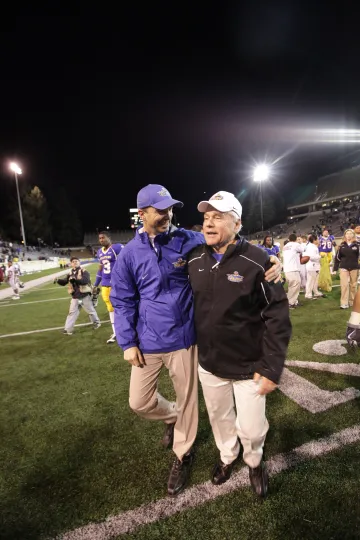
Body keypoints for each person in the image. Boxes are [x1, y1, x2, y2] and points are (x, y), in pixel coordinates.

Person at [110, 185, 281, 497]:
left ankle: (184, 455)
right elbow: (122, 301)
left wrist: (270, 259)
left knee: (193, 403)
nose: (167, 215)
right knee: (140, 401)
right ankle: (172, 418)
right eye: (160, 210)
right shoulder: (129, 254)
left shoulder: (186, 240)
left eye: (170, 209)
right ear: (143, 213)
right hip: (147, 340)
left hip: (185, 338)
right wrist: (127, 341)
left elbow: (232, 243)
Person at [188, 191, 291, 498]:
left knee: (252, 427)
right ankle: (227, 457)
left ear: (237, 223)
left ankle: (255, 461)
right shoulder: (193, 259)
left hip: (249, 365)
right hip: (210, 363)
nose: (208, 223)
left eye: (218, 217)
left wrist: (272, 366)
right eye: (206, 217)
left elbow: (278, 316)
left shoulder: (259, 261)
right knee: (220, 420)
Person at [54, 257, 101, 335]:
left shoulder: (84, 271)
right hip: (75, 296)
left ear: (79, 262)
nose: (75, 262)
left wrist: (75, 280)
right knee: (71, 313)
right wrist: (58, 280)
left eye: (76, 261)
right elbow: (64, 282)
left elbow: (85, 281)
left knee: (91, 312)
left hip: (84, 295)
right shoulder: (70, 273)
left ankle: (97, 323)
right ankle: (68, 329)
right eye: (73, 261)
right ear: (71, 264)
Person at [93, 232, 124, 343]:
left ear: (108, 238)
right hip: (105, 284)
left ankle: (125, 330)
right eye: (100, 238)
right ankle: (116, 332)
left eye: (103, 237)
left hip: (117, 283)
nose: (101, 240)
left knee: (122, 307)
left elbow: (126, 261)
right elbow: (100, 270)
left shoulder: (117, 247)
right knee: (110, 309)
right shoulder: (100, 252)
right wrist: (95, 284)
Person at [333, 229, 359, 309]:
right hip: (343, 267)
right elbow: (337, 257)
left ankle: (353, 302)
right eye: (347, 233)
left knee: (353, 285)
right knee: (344, 285)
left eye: (350, 233)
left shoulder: (357, 245)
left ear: (353, 235)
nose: (349, 235)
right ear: (345, 235)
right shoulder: (341, 245)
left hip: (354, 267)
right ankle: (344, 303)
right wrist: (335, 269)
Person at [282, 233, 307, 309]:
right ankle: (290, 303)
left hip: (287, 268)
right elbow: (303, 249)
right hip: (293, 268)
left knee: (291, 286)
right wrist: (300, 242)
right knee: (296, 284)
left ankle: (294, 301)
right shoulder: (295, 245)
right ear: (295, 239)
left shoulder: (285, 246)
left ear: (289, 239)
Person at [304, 235, 323, 299]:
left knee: (315, 280)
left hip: (314, 265)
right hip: (312, 265)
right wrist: (320, 256)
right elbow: (311, 257)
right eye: (317, 239)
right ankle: (308, 294)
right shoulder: (312, 247)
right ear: (314, 240)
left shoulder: (312, 246)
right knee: (310, 280)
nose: (318, 240)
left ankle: (315, 292)